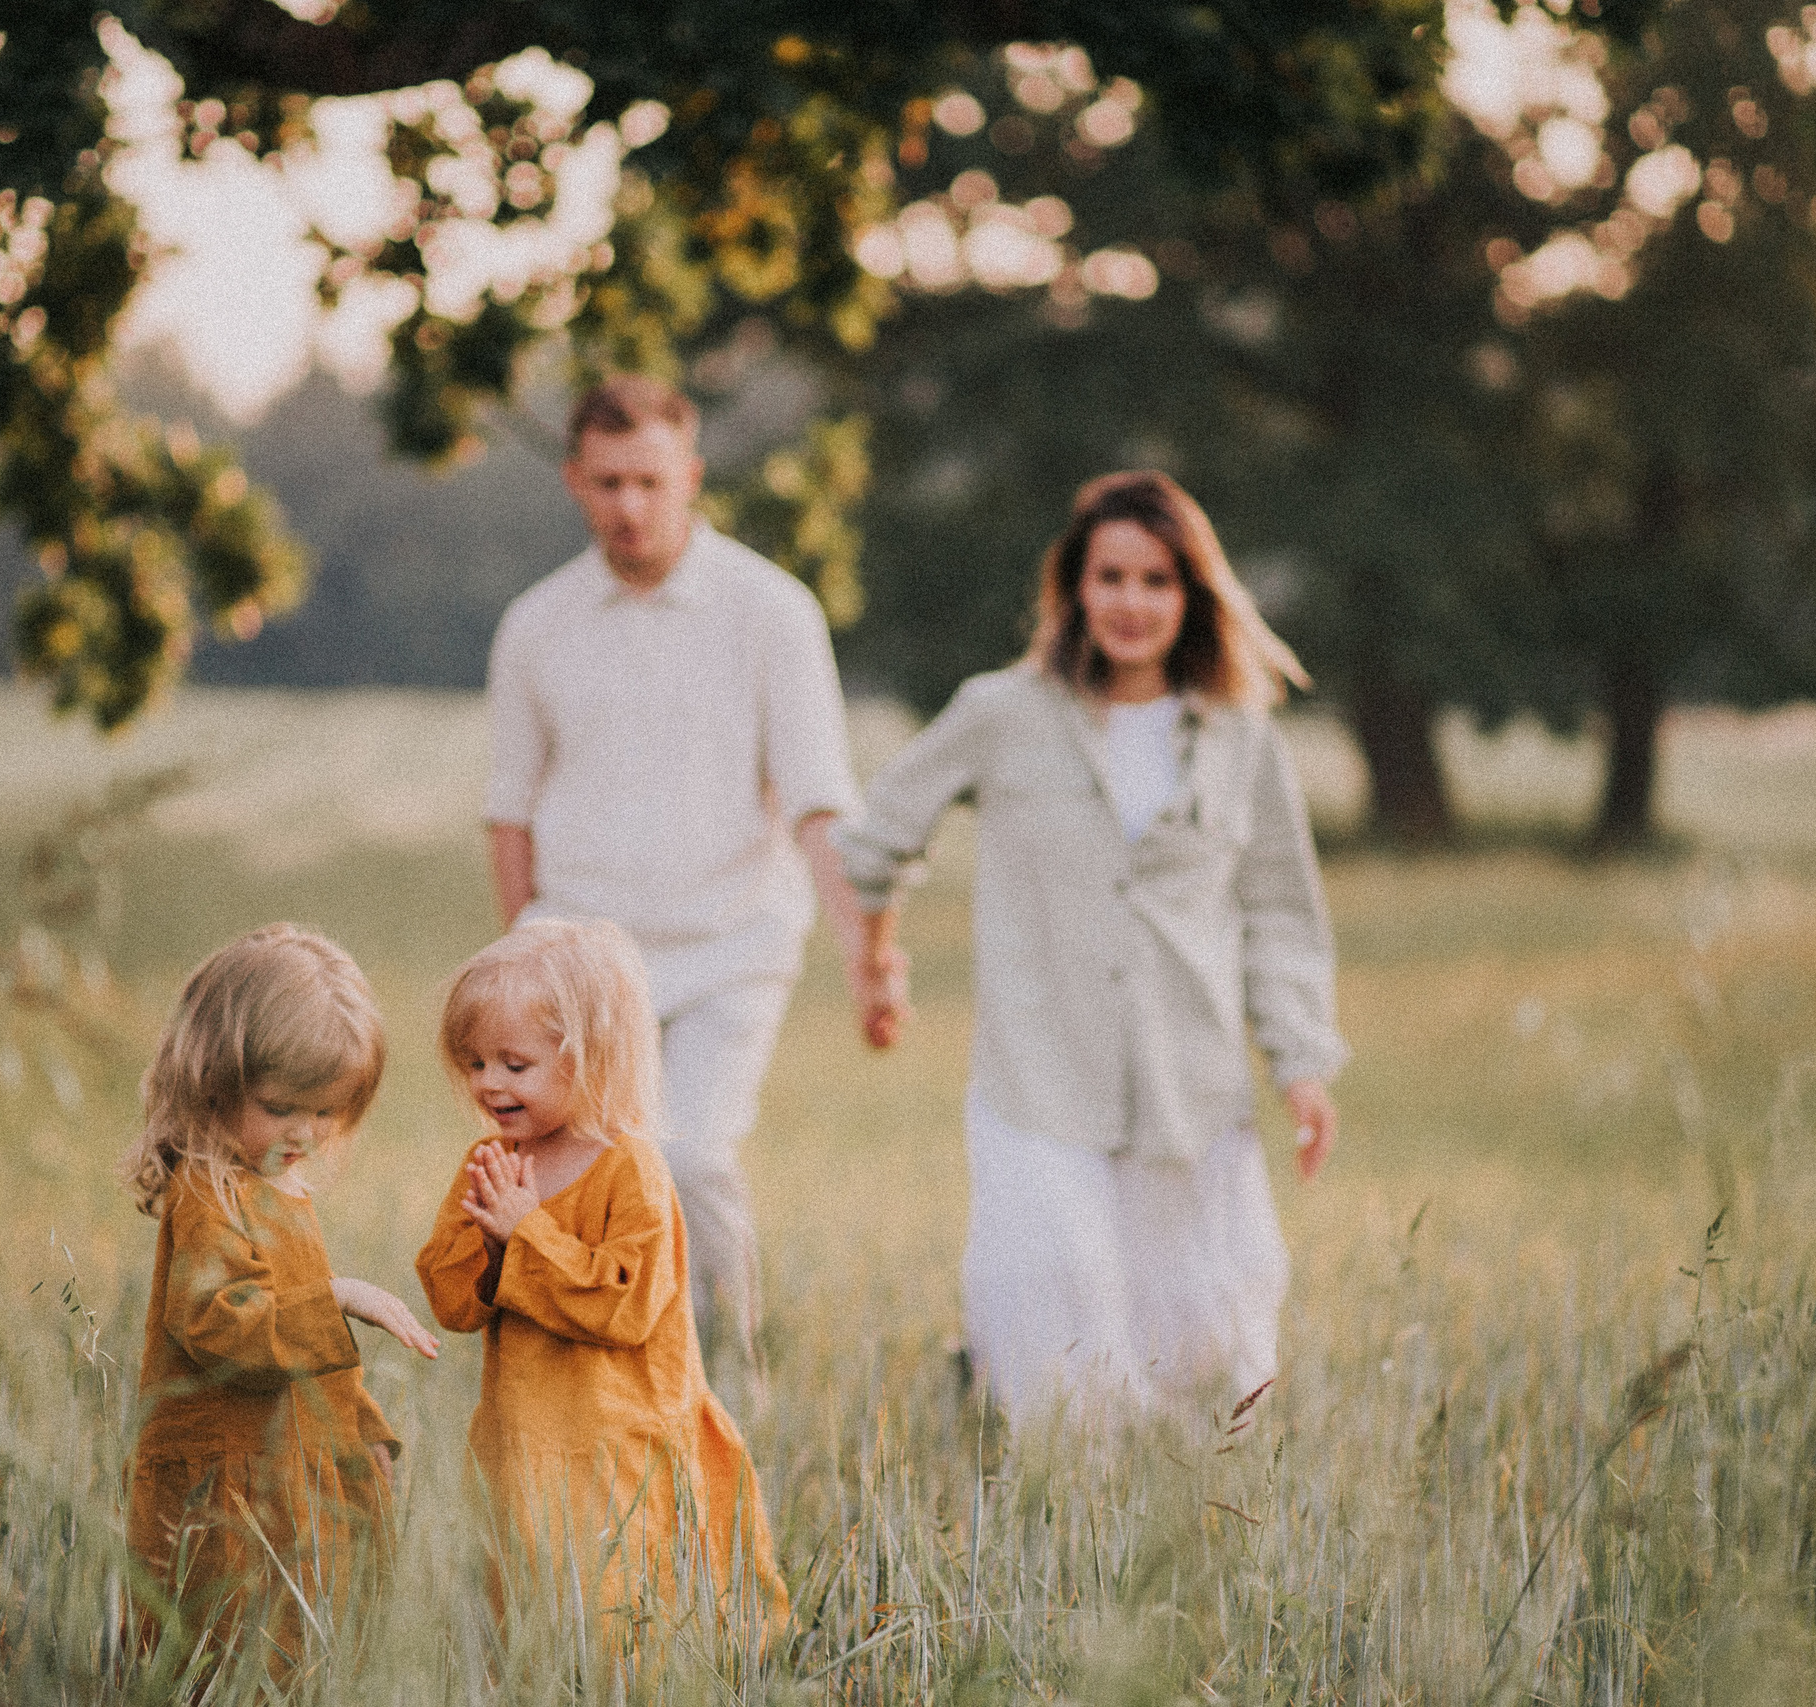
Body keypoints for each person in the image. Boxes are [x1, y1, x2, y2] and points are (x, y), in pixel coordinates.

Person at [834, 471, 1348, 1422]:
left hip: (1189, 1084)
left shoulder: (1241, 737)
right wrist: (878, 965)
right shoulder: (1001, 712)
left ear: (1192, 595)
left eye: (1157, 580)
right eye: (1110, 577)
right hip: (1038, 1079)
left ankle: (1183, 1537)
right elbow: (876, 844)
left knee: (1201, 1345)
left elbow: (1280, 909)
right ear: (1073, 587)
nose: (1132, 603)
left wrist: (1301, 1065)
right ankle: (1038, 1484)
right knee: (1059, 1329)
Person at [482, 374, 899, 1375]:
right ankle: (580, 1376)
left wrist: (867, 958)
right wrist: (516, 973)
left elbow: (817, 801)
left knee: (691, 1155)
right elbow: (510, 814)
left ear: (690, 477)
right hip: (578, 956)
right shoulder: (535, 626)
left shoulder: (771, 612)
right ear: (575, 481)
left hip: (729, 942)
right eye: (608, 483)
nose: (629, 507)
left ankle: (725, 1373)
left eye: (649, 482)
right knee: (575, 1179)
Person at [415, 918, 789, 1632]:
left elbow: (626, 1303)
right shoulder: (491, 1162)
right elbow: (453, 1300)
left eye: (514, 1064)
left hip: (618, 1441)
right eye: (474, 1063)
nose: (489, 1083)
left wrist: (527, 1230)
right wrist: (492, 1245)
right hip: (522, 1435)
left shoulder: (630, 1166)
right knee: (527, 1609)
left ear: (589, 1059)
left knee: (621, 1608)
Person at [120, 924, 440, 1681]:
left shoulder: (275, 1186)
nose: (305, 1133)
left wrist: (366, 1434)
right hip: (223, 1493)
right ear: (211, 1080)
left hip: (285, 1478)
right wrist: (337, 1297)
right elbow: (218, 1325)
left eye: (326, 1113)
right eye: (281, 1106)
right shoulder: (209, 1191)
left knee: (298, 1653)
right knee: (226, 1656)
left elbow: (316, 1369)